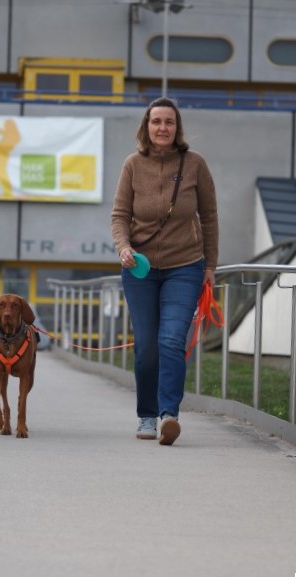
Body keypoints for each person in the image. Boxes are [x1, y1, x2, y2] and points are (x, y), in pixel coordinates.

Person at [111, 97, 219, 446]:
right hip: (140, 269)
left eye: (169, 122)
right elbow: (120, 215)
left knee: (171, 340)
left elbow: (209, 216)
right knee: (146, 347)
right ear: (147, 126)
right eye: (156, 121)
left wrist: (210, 265)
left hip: (184, 267)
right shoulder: (132, 164)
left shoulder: (195, 164)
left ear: (177, 127)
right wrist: (123, 247)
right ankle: (146, 414)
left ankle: (168, 414)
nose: (162, 128)